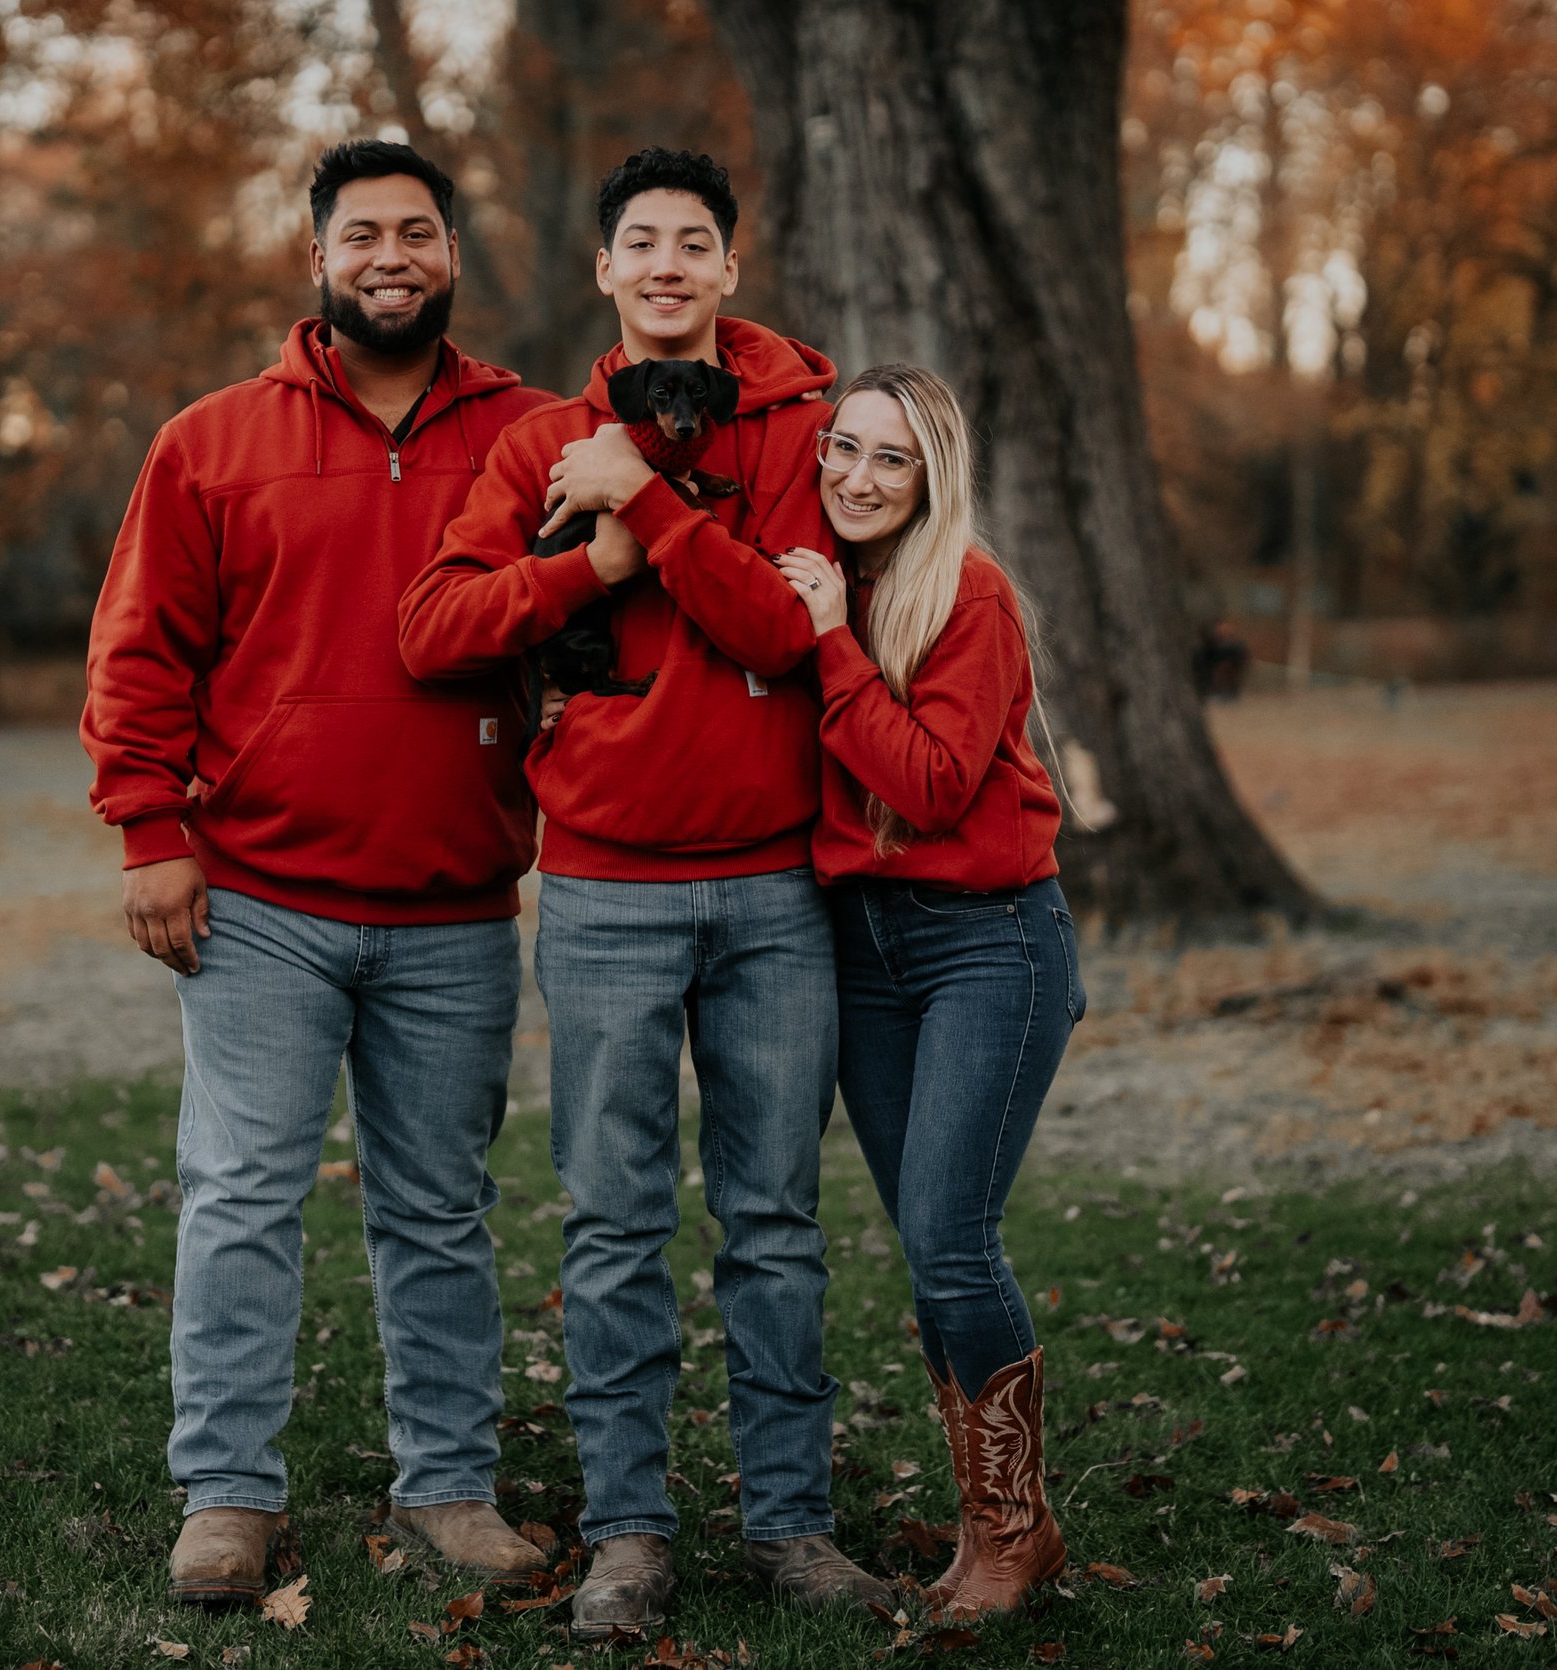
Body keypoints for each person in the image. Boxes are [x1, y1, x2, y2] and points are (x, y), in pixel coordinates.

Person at [398, 149, 892, 1637]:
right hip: (607, 890)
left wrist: (656, 507)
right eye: (640, 243)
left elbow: (790, 633)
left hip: (775, 893)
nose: (668, 262)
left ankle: (792, 1524)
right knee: (612, 1225)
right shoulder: (542, 442)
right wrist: (591, 547)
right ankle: (629, 1528)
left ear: (730, 269)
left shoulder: (808, 437)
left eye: (695, 241)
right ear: (603, 273)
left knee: (775, 1220)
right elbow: (437, 626)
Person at [81, 140, 558, 1608]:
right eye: (364, 234)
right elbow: (141, 648)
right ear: (318, 260)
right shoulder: (212, 440)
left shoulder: (535, 436)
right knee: (237, 1192)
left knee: (439, 1206)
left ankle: (451, 1485)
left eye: (419, 231)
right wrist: (151, 831)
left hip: (455, 899)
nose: (392, 255)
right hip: (263, 900)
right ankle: (227, 1493)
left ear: (455, 257)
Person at [772, 364, 1083, 1620]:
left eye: (888, 459)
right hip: (865, 944)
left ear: (931, 474)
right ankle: (982, 1527)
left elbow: (938, 782)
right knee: (927, 1244)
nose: (855, 475)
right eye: (841, 447)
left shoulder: (969, 594)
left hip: (987, 943)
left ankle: (1017, 1529)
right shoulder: (822, 579)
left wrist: (831, 650)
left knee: (955, 1236)